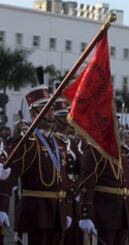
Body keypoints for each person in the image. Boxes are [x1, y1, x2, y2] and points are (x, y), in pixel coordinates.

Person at [0, 86, 71, 244]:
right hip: (35, 214)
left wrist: (66, 210)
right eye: (46, 109)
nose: (51, 113)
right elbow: (9, 175)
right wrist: (2, 207)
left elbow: (63, 180)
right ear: (33, 114)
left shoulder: (57, 142)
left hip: (56, 214)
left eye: (52, 109)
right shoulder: (27, 142)